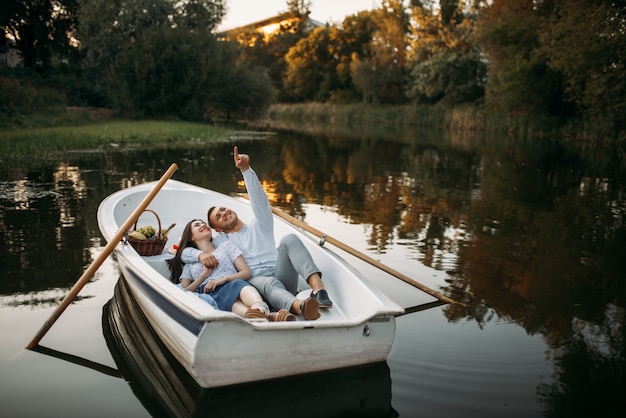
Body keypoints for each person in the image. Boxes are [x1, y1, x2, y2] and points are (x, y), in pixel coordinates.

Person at [183, 146, 332, 320]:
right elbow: (183, 248)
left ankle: (319, 291)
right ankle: (299, 307)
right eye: (219, 216)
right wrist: (200, 255)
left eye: (223, 209)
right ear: (218, 229)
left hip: (282, 274)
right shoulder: (220, 242)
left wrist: (245, 170)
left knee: (289, 239)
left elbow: (258, 198)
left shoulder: (260, 224)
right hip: (257, 282)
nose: (224, 213)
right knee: (268, 282)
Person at [170, 219, 295, 322]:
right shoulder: (190, 263)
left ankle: (260, 308)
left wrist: (223, 279)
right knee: (229, 301)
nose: (203, 225)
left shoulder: (226, 246)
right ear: (191, 236)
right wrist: (203, 276)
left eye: (204, 223)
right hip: (211, 292)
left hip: (233, 282)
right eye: (197, 225)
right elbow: (185, 291)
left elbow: (246, 273)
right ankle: (268, 316)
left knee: (238, 285)